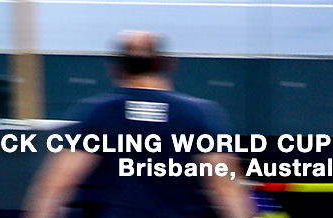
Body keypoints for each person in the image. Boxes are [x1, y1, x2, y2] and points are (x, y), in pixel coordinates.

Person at [24, 31, 250, 218]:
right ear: (168, 63)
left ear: (115, 68)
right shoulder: (200, 114)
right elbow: (225, 188)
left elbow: (54, 186)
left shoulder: (97, 114)